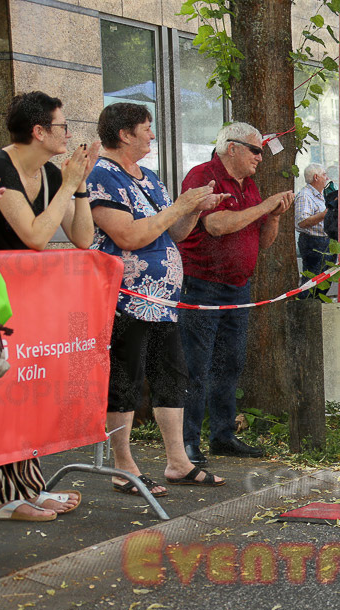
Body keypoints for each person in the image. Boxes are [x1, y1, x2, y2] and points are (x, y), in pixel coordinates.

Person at [0, 91, 96, 521]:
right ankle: (2, 499)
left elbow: (82, 237)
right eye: (62, 127)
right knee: (2, 394)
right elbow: (36, 236)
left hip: (28, 303)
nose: (68, 134)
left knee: (28, 393)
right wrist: (68, 183)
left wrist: (79, 187)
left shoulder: (48, 173)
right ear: (39, 132)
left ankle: (30, 487)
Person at [88, 102, 228, 496]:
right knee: (126, 378)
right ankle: (123, 465)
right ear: (124, 134)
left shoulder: (148, 176)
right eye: (146, 128)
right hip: (126, 298)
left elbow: (174, 234)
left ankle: (177, 462)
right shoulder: (101, 176)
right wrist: (180, 207)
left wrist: (193, 212)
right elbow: (129, 236)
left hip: (162, 299)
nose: (152, 135)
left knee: (171, 375)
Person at [177, 122, 295, 462]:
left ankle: (223, 435)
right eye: (255, 150)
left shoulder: (250, 185)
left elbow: (262, 242)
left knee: (230, 362)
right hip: (202, 283)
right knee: (196, 365)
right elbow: (215, 225)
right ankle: (188, 442)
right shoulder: (203, 176)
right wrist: (264, 207)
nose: (260, 157)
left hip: (236, 286)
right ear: (232, 148)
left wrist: (273, 218)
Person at [293, 163, 330, 296]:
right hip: (313, 243)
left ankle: (315, 308)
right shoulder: (305, 195)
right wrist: (324, 214)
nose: (327, 178)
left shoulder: (321, 194)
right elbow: (301, 222)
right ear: (316, 177)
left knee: (324, 282)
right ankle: (306, 309)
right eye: (324, 175)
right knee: (312, 282)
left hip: (325, 241)